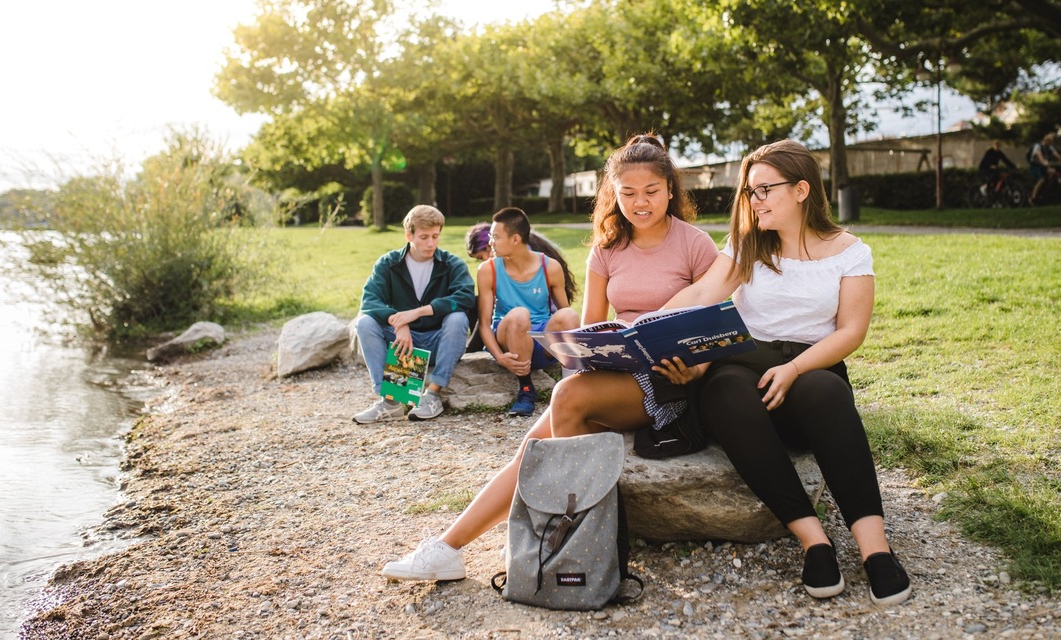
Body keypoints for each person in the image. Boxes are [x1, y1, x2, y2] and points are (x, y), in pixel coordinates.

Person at [380, 133, 719, 581]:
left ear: (671, 190)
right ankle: (449, 547)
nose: (640, 203)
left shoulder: (696, 244)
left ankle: (547, 548)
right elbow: (593, 327)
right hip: (616, 375)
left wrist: (696, 366)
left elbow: (714, 331)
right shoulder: (607, 248)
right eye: (628, 193)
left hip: (668, 383)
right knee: (533, 445)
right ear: (613, 195)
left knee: (564, 400)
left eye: (652, 192)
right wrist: (580, 349)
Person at [656, 138, 912, 606]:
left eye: (763, 190)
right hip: (746, 373)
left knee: (825, 391)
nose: (754, 202)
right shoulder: (747, 245)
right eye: (749, 193)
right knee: (725, 389)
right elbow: (701, 294)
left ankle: (877, 551)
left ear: (800, 190)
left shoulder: (849, 251)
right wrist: (643, 329)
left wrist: (793, 368)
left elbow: (851, 331)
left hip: (809, 372)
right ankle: (815, 541)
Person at [352, 205, 475, 424]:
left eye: (435, 236)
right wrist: (399, 323)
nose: (431, 243)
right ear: (409, 235)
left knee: (458, 318)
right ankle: (392, 401)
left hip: (438, 342)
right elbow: (370, 300)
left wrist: (418, 312)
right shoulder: (388, 263)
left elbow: (466, 297)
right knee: (365, 323)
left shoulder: (451, 263)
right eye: (424, 237)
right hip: (403, 345)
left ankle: (432, 395)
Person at [476, 206, 581, 416]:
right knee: (519, 314)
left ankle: (573, 386)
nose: (490, 243)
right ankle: (525, 390)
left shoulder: (550, 267)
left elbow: (564, 315)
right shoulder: (488, 270)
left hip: (542, 344)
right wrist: (499, 356)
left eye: (496, 237)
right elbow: (485, 324)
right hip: (509, 338)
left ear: (515, 239)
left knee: (570, 315)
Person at [1028, 131, 1061, 205]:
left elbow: (1057, 155)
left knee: (1054, 173)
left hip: (1044, 166)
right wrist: (1044, 162)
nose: (1050, 144)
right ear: (1045, 140)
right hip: (1035, 166)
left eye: (1051, 142)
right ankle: (1033, 198)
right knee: (1041, 180)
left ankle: (1047, 192)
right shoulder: (1037, 146)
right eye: (1049, 141)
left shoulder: (1049, 147)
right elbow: (1039, 155)